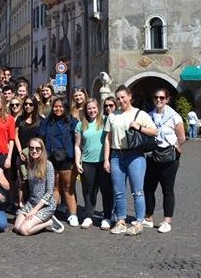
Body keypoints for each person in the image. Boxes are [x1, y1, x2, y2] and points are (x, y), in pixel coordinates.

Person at [103, 86, 158, 236]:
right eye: (118, 98)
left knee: (137, 191)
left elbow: (155, 131)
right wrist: (106, 159)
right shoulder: (113, 116)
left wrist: (139, 127)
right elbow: (108, 139)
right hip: (116, 155)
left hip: (135, 155)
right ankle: (121, 221)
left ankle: (139, 222)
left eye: (123, 97)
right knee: (118, 191)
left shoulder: (140, 114)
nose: (121, 100)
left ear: (129, 97)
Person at [143, 87, 185, 234]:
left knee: (167, 190)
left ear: (167, 99)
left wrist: (176, 149)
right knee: (148, 188)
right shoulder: (149, 115)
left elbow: (182, 137)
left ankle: (167, 221)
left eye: (162, 98)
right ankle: (148, 218)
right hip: (152, 156)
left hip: (169, 158)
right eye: (156, 97)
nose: (158, 100)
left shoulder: (174, 116)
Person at [74, 98, 113, 230]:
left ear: (98, 108)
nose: (92, 111)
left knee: (106, 190)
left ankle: (107, 217)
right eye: (89, 108)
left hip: (103, 162)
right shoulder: (80, 125)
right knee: (88, 191)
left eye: (94, 108)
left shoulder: (105, 121)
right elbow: (77, 145)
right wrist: (77, 161)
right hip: (87, 162)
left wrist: (108, 160)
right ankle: (89, 216)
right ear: (86, 110)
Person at [39, 97, 79, 226]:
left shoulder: (72, 122)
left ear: (65, 108)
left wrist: (77, 160)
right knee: (54, 187)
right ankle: (51, 213)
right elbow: (41, 138)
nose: (58, 109)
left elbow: (77, 141)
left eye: (61, 106)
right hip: (51, 158)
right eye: (56, 106)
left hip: (67, 158)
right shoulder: (47, 122)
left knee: (68, 188)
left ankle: (73, 214)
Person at [13, 138, 64, 235]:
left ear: (42, 150)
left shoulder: (48, 165)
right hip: (32, 202)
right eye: (31, 148)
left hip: (45, 205)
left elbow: (49, 192)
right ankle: (37, 222)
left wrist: (34, 211)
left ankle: (49, 222)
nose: (34, 151)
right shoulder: (30, 164)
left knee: (24, 230)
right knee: (17, 228)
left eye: (37, 148)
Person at [14, 97, 41, 206]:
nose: (28, 106)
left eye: (30, 104)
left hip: (35, 154)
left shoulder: (39, 120)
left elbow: (41, 139)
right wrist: (20, 151)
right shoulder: (20, 119)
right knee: (22, 180)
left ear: (35, 106)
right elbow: (16, 136)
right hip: (22, 154)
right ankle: (21, 203)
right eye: (26, 104)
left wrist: (36, 153)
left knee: (34, 180)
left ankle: (33, 203)